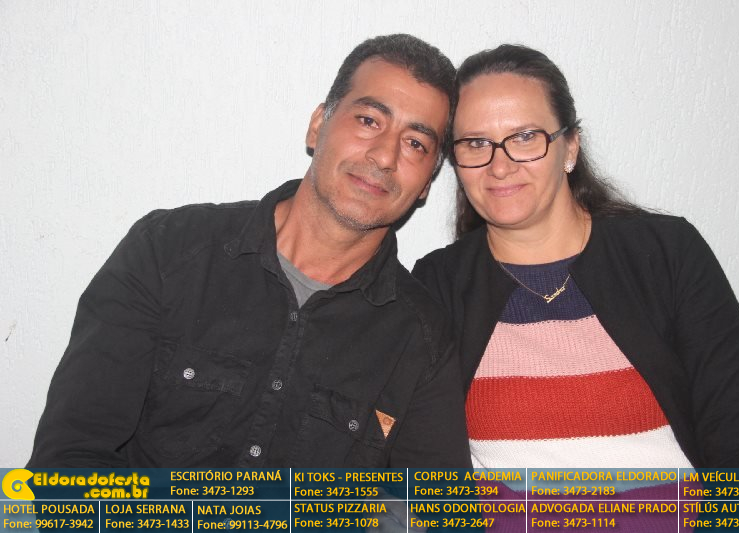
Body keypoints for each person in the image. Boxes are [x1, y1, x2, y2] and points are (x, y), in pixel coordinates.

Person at [28, 34, 471, 468]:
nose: (385, 156)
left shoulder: (422, 338)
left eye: (416, 144)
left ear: (425, 184)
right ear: (318, 125)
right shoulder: (169, 251)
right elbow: (67, 465)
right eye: (369, 121)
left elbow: (430, 505)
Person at [413, 44, 739, 470]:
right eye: (476, 143)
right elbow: (424, 471)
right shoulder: (438, 285)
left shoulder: (667, 254)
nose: (500, 165)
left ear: (570, 147)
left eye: (526, 137)